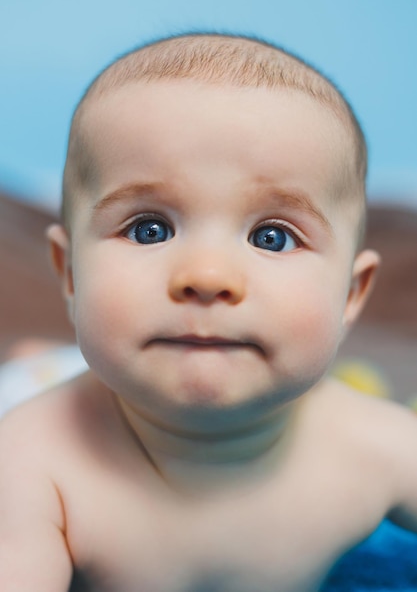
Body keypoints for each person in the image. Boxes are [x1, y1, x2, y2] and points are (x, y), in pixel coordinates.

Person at [1, 33, 416, 592]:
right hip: (36, 390)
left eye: (272, 237)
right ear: (69, 272)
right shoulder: (31, 464)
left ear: (350, 295)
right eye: (150, 229)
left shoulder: (379, 446)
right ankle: (37, 362)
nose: (207, 276)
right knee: (24, 379)